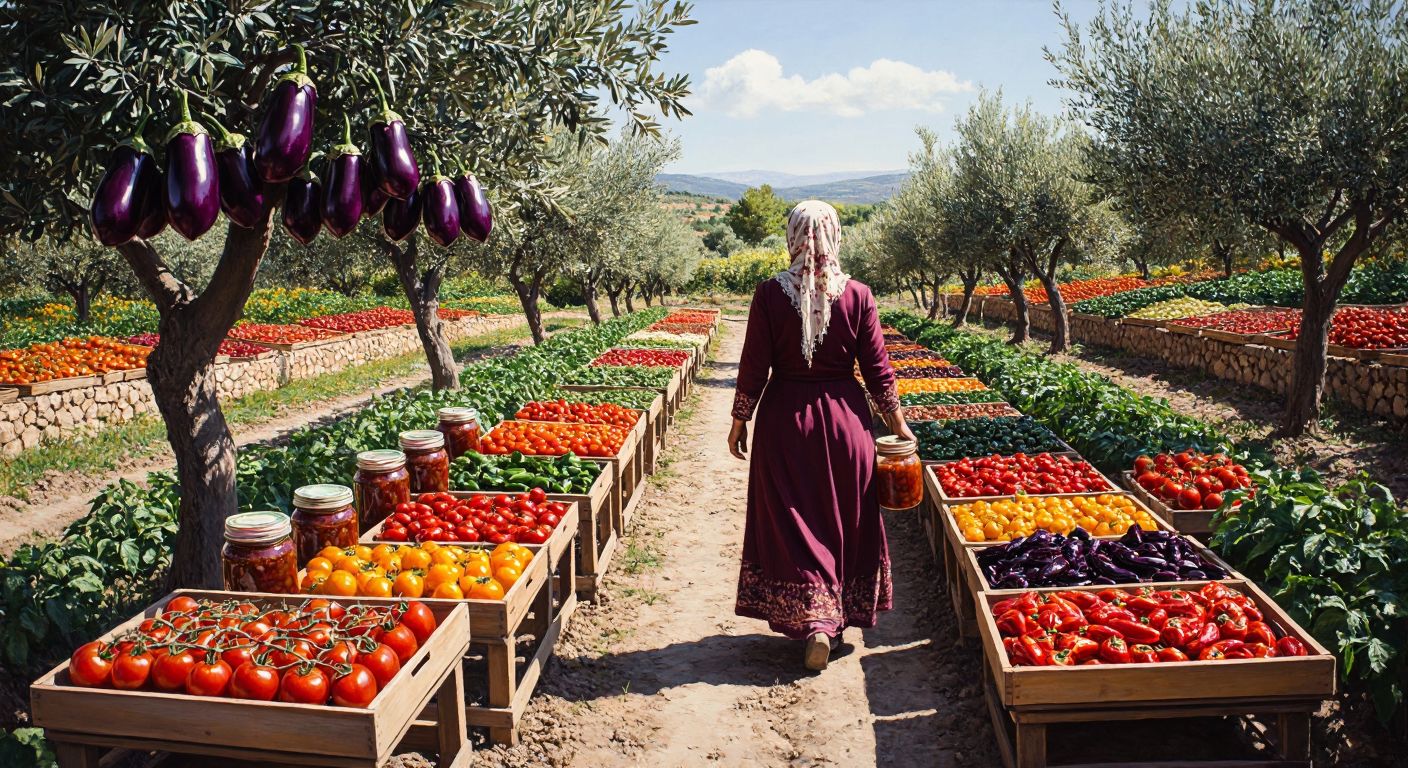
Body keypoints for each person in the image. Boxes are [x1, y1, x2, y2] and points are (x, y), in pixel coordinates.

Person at [727, 200, 916, 671]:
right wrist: (898, 426)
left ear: (791, 237)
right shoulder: (858, 295)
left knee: (794, 520)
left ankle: (813, 620)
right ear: (835, 236)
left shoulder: (770, 295)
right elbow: (878, 372)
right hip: (845, 422)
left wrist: (739, 420)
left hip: (785, 421)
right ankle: (830, 619)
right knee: (839, 518)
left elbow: (753, 367)